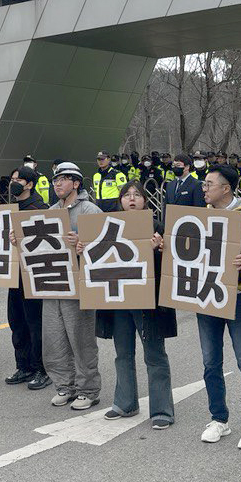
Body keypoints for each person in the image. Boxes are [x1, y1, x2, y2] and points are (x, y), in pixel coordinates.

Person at [90, 180, 176, 427]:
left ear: (145, 201)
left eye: (136, 195)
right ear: (120, 201)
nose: (131, 199)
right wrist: (84, 247)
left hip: (148, 301)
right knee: (122, 353)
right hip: (119, 298)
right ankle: (125, 402)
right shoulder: (108, 226)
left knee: (154, 355)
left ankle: (162, 410)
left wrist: (158, 250)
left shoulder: (158, 227)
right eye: (126, 195)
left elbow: (171, 267)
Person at [194, 165, 241, 450]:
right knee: (211, 362)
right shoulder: (199, 217)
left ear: (226, 188)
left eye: (209, 184)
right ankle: (219, 418)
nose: (205, 189)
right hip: (205, 294)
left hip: (238, 295)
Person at [44, 162, 102, 410]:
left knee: (81, 338)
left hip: (79, 286)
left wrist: (83, 243)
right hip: (52, 283)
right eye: (55, 179)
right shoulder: (50, 210)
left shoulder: (90, 211)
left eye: (63, 179)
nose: (57, 183)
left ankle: (88, 389)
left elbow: (104, 247)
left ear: (76, 183)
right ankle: (64, 385)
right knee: (54, 337)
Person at [3, 166, 50, 390]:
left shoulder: (40, 208)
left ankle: (42, 368)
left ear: (29, 184)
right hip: (13, 274)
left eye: (18, 180)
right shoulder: (8, 209)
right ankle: (23, 366)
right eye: (12, 179)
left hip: (33, 275)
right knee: (17, 321)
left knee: (35, 323)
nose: (14, 183)